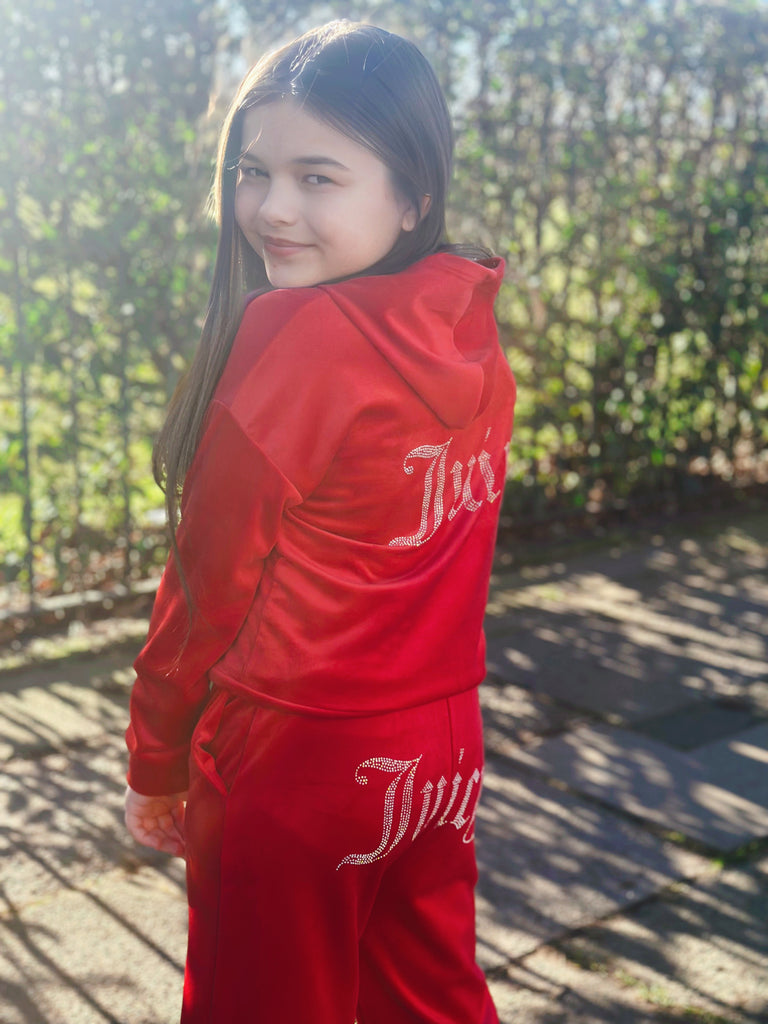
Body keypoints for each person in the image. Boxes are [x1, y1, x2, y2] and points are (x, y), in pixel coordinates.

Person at [124, 19, 516, 1024]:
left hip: (299, 759)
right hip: (441, 747)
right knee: (428, 997)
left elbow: (207, 587)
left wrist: (156, 758)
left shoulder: (298, 334)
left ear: (413, 195)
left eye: (318, 177)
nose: (272, 208)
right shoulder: (466, 323)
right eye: (254, 172)